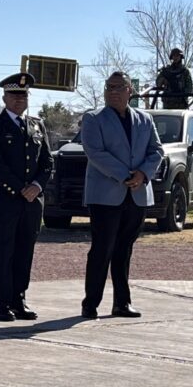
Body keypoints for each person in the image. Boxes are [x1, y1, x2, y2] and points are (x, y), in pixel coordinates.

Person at [79, 71, 163, 319]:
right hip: (106, 194)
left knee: (124, 249)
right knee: (102, 248)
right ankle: (90, 303)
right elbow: (95, 152)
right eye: (108, 87)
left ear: (130, 91)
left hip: (137, 194)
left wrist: (142, 175)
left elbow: (156, 150)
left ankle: (122, 303)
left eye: (118, 87)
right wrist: (126, 175)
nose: (112, 91)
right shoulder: (93, 118)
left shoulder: (144, 119)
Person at [0, 73, 52, 322]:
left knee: (24, 251)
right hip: (5, 201)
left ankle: (18, 299)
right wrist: (21, 188)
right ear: (4, 97)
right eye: (14, 95)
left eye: (23, 95)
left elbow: (47, 162)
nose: (19, 99)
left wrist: (37, 186)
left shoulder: (36, 125)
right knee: (2, 252)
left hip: (32, 202)